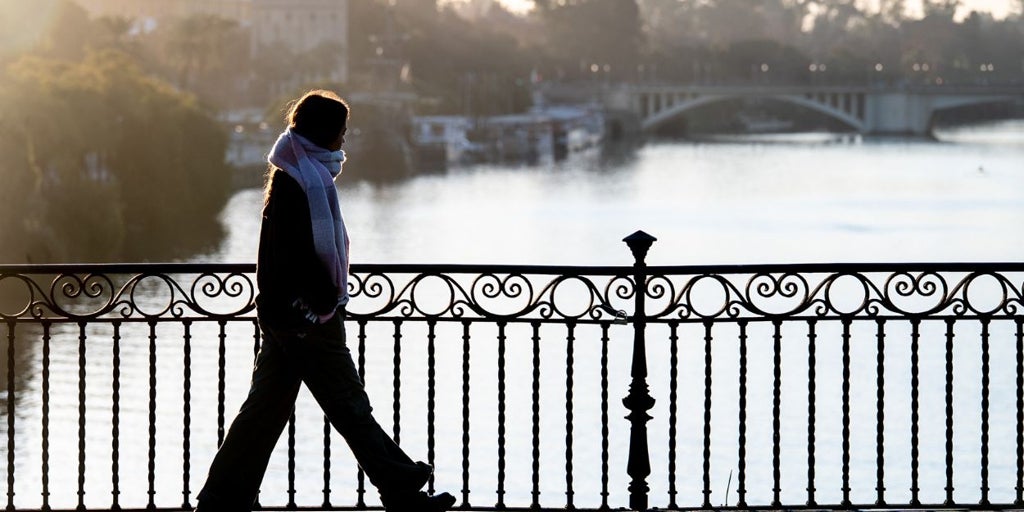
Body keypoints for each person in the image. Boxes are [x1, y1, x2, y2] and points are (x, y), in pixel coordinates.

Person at [195, 90, 455, 512]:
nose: (346, 139)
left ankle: (222, 497)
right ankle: (401, 486)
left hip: (287, 315)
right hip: (306, 318)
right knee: (347, 403)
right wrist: (320, 305)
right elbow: (295, 254)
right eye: (342, 130)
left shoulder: (297, 173)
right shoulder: (301, 181)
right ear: (325, 132)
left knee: (267, 408)